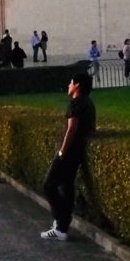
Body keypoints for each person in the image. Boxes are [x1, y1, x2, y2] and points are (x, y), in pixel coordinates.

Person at [40, 72, 96, 241]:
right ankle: (62, 227)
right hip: (78, 151)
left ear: (77, 85)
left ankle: (61, 221)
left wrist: (62, 151)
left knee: (49, 185)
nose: (68, 85)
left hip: (69, 152)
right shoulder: (89, 103)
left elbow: (72, 128)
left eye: (71, 82)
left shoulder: (75, 103)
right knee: (66, 186)